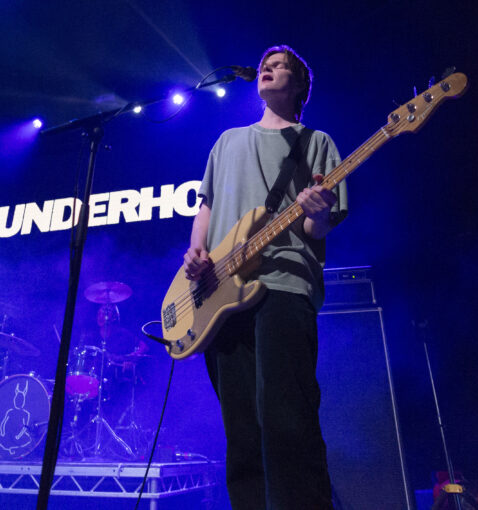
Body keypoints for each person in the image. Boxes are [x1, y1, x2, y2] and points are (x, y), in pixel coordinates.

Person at [183, 44, 348, 510]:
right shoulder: (227, 141)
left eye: (280, 67)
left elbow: (316, 229)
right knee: (240, 431)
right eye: (265, 66)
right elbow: (207, 207)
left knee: (287, 419)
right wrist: (196, 253)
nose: (268, 70)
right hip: (219, 295)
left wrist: (319, 210)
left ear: (299, 86)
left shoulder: (317, 142)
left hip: (284, 284)